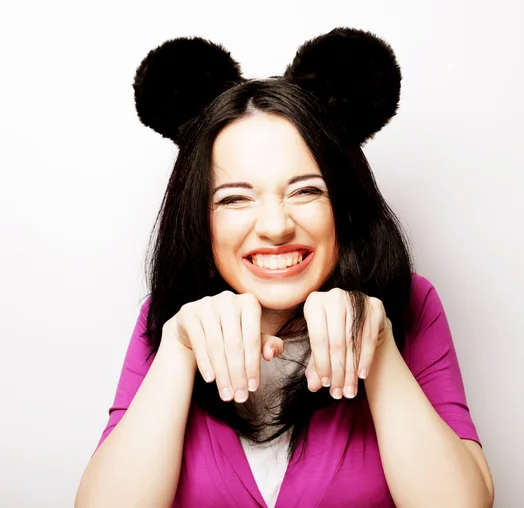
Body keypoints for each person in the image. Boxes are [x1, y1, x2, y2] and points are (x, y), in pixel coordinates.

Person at [75, 27, 494, 508]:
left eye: (306, 191)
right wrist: (178, 349)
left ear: (344, 204)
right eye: (235, 198)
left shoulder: (412, 302)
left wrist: (378, 348)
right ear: (200, 218)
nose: (275, 226)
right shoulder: (170, 316)